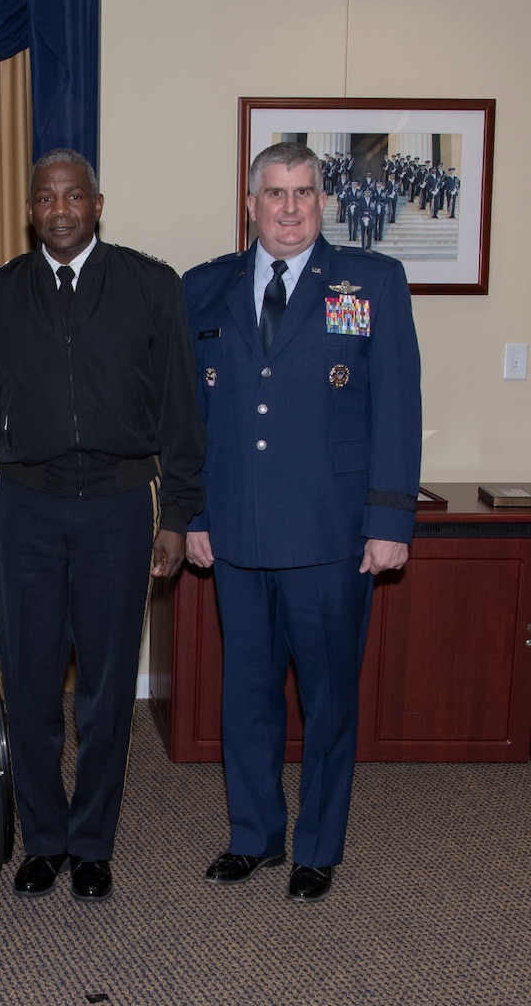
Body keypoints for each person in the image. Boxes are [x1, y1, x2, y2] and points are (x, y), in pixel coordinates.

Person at [0, 147, 204, 903]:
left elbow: (181, 412)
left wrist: (179, 513)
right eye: (45, 198)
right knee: (29, 685)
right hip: (25, 511)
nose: (59, 209)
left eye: (74, 196)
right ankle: (45, 840)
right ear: (30, 210)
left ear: (98, 205)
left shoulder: (150, 285)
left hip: (119, 508)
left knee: (104, 690)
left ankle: (93, 843)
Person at [183, 141, 421, 903]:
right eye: (275, 193)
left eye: (304, 193)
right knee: (245, 697)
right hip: (239, 533)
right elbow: (189, 417)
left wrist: (390, 519)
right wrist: (191, 512)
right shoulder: (205, 288)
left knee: (327, 701)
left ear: (325, 201)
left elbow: (396, 408)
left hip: (332, 534)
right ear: (250, 203)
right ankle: (253, 835)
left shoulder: (372, 282)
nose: (289, 208)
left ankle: (318, 846)